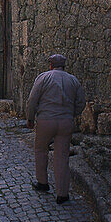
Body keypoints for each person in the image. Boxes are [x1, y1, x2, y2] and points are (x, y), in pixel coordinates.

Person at [25, 53, 86, 204]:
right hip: (65, 122)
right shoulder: (73, 80)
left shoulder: (43, 78)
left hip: (46, 120)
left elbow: (32, 100)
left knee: (40, 149)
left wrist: (30, 118)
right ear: (64, 66)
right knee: (62, 156)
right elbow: (81, 103)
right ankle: (62, 193)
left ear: (50, 65)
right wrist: (71, 114)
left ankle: (42, 182)